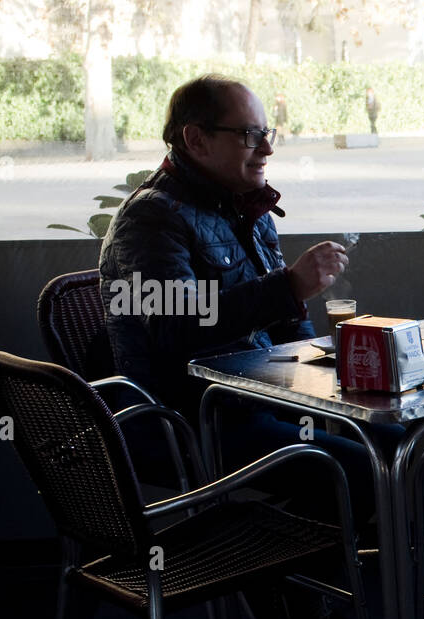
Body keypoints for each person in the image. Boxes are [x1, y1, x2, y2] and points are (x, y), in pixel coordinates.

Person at [100, 74, 346, 418]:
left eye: (266, 133)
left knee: (391, 435)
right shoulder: (149, 218)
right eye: (250, 135)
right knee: (366, 458)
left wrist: (331, 379)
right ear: (197, 140)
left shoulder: (247, 206)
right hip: (201, 422)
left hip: (266, 398)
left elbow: (287, 324)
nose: (267, 149)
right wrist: (287, 287)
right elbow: (177, 326)